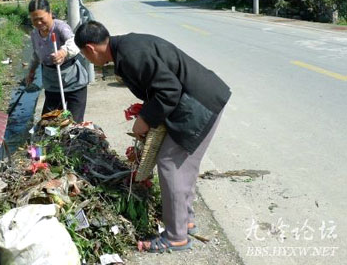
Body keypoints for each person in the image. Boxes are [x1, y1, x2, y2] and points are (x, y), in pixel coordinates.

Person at [74, 20, 231, 253]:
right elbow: (158, 87)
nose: (89, 61)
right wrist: (146, 110)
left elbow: (169, 90)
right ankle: (185, 220)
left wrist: (145, 119)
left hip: (199, 104)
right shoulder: (125, 48)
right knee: (183, 166)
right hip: (203, 97)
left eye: (86, 57)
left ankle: (176, 236)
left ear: (90, 48)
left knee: (170, 164)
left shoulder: (129, 55)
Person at [25, 0, 89, 123]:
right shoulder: (34, 34)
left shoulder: (60, 27)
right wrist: (31, 71)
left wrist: (63, 52)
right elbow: (36, 55)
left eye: (41, 18)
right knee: (48, 122)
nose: (38, 23)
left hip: (73, 82)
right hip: (52, 84)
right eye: (34, 20)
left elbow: (74, 43)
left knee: (73, 123)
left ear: (49, 13)